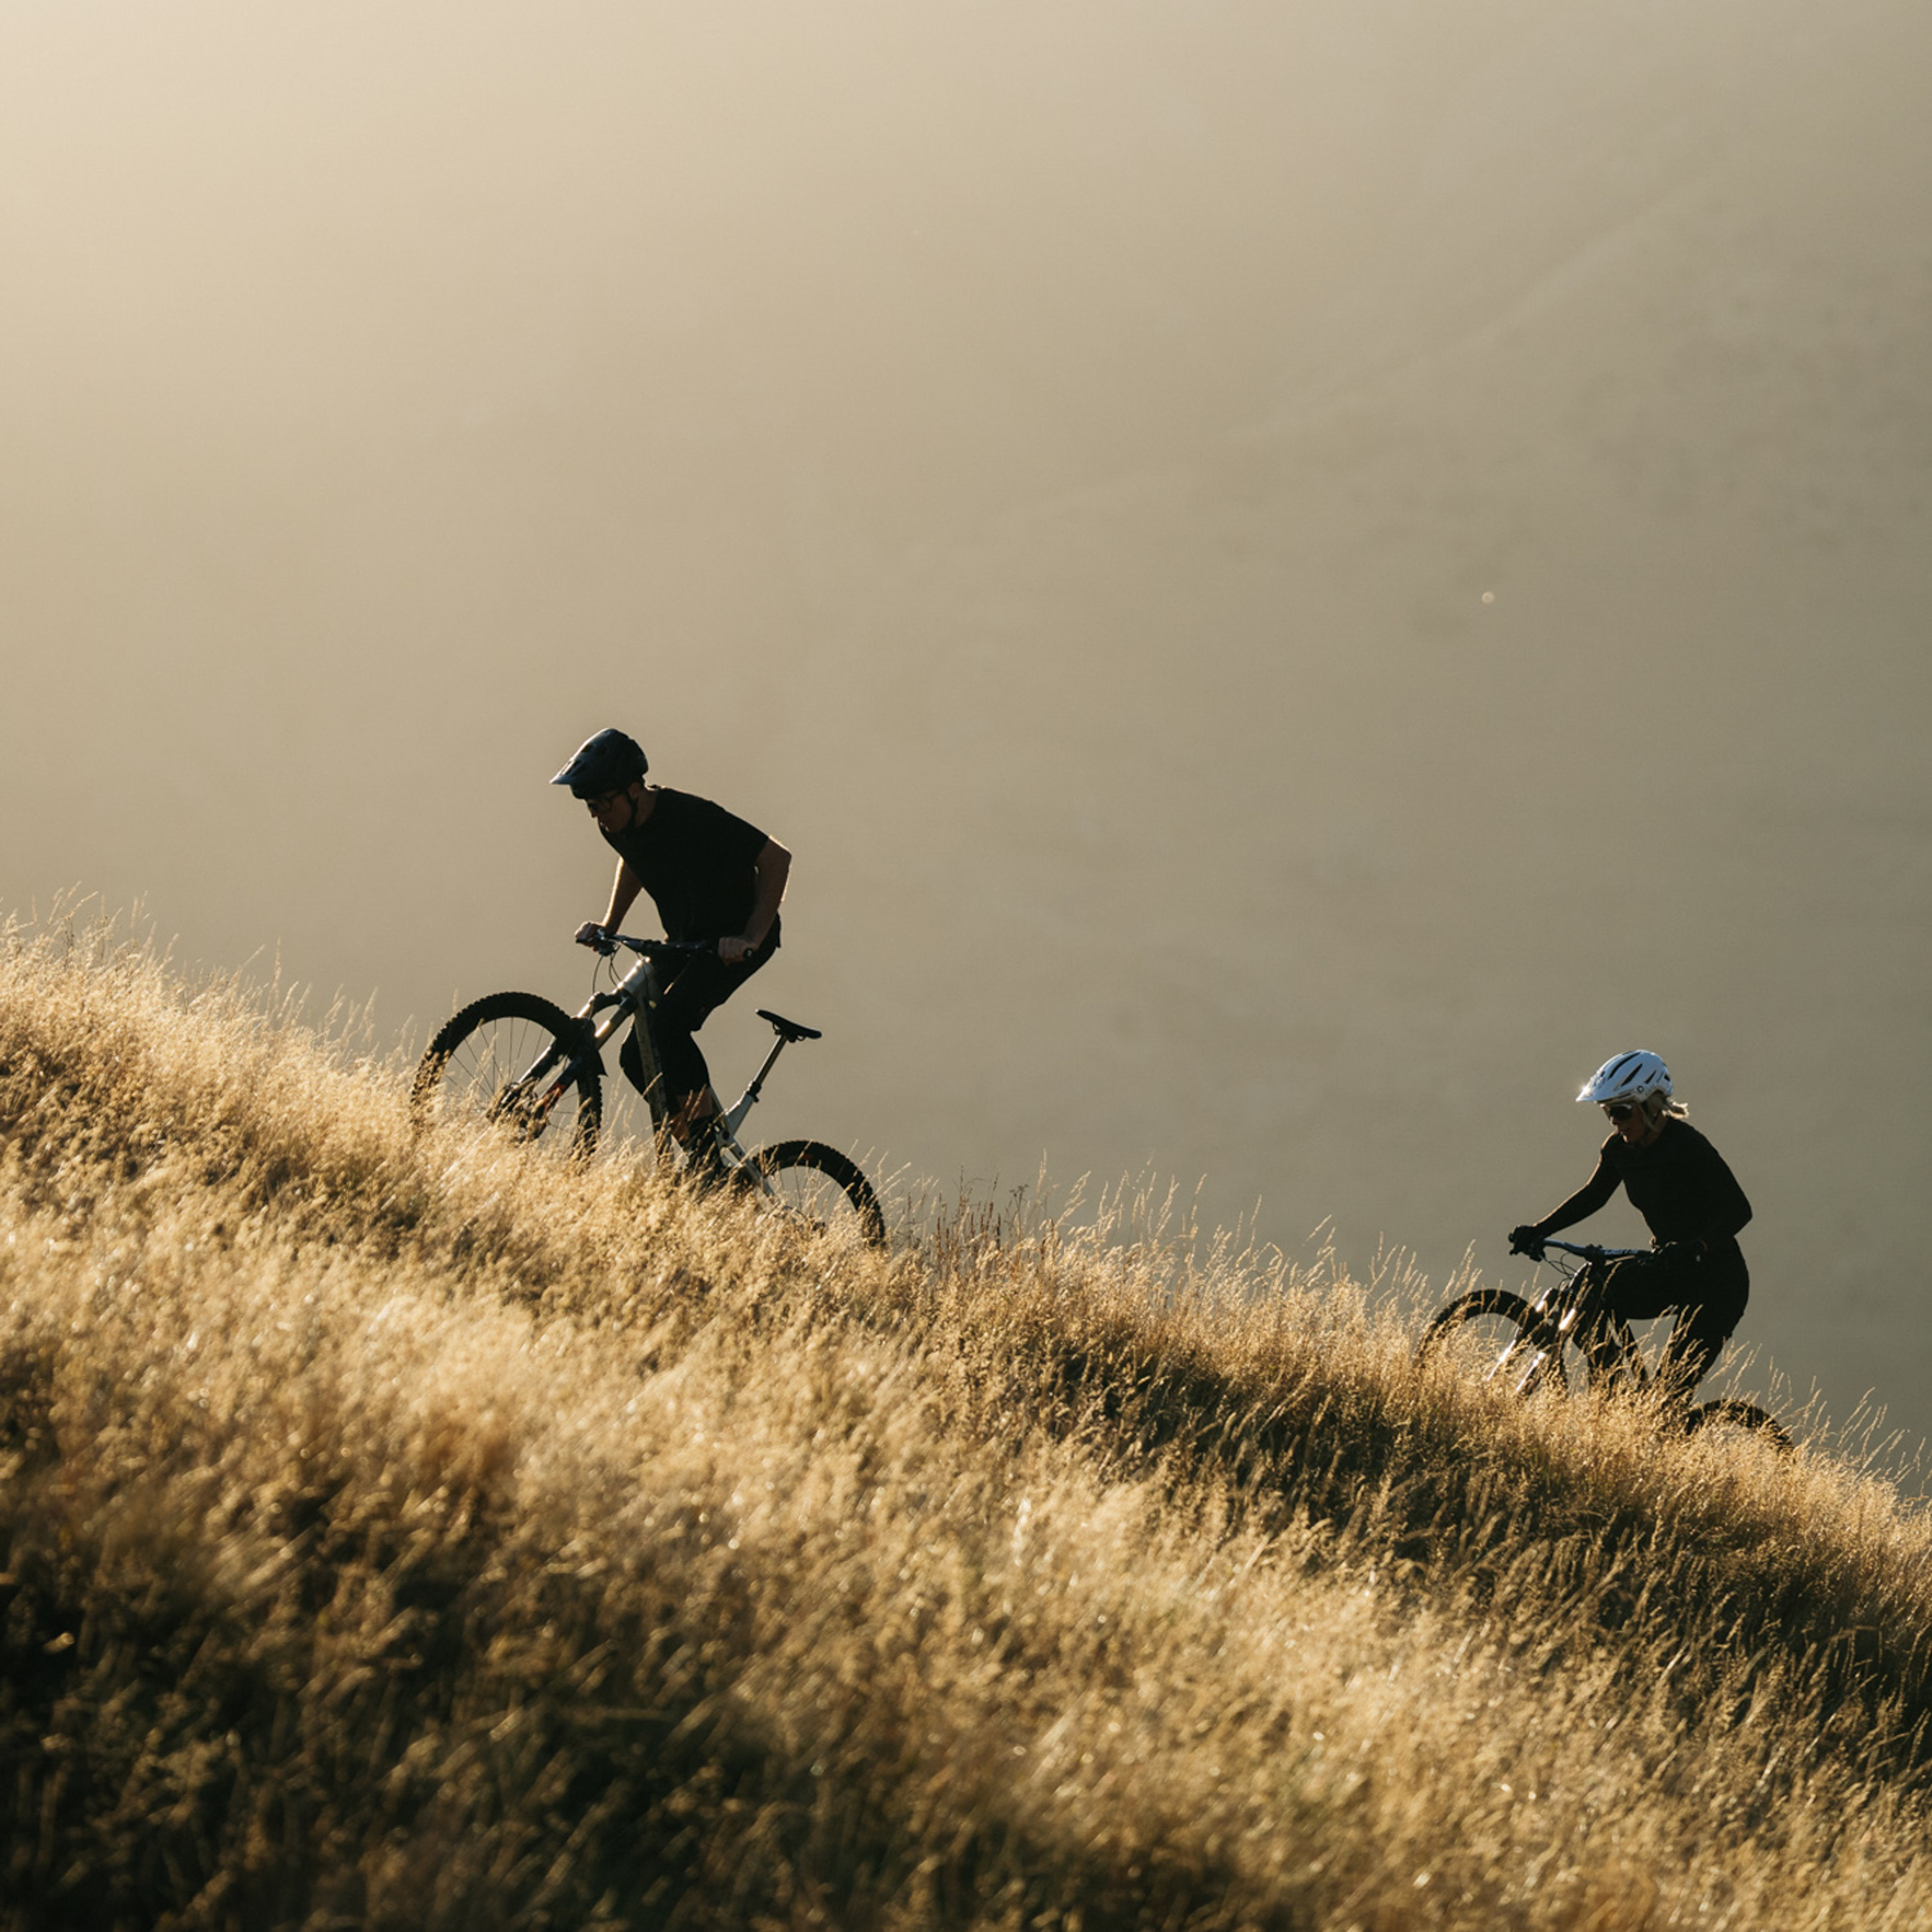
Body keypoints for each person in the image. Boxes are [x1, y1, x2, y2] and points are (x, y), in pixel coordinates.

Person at [551, 727, 790, 1160]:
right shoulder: (616, 824)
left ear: (633, 790)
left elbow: (776, 858)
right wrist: (609, 924)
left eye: (603, 803)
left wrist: (751, 937)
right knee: (634, 1057)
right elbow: (637, 860)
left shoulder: (689, 815)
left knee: (669, 1027)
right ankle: (699, 1150)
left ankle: (707, 1152)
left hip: (734, 940)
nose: (597, 815)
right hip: (685, 942)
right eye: (589, 805)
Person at [1508, 1051, 1752, 1403]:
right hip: (1668, 1268)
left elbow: (1739, 1210)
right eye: (1608, 1112)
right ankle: (1613, 1393)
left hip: (1716, 1283)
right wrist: (1540, 1229)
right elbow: (1594, 1195)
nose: (1614, 1122)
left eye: (1622, 1111)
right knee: (1592, 1291)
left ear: (1652, 1105)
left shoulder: (1688, 1146)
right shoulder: (1619, 1150)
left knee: (1666, 1402)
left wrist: (1697, 1247)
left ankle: (1659, 1428)